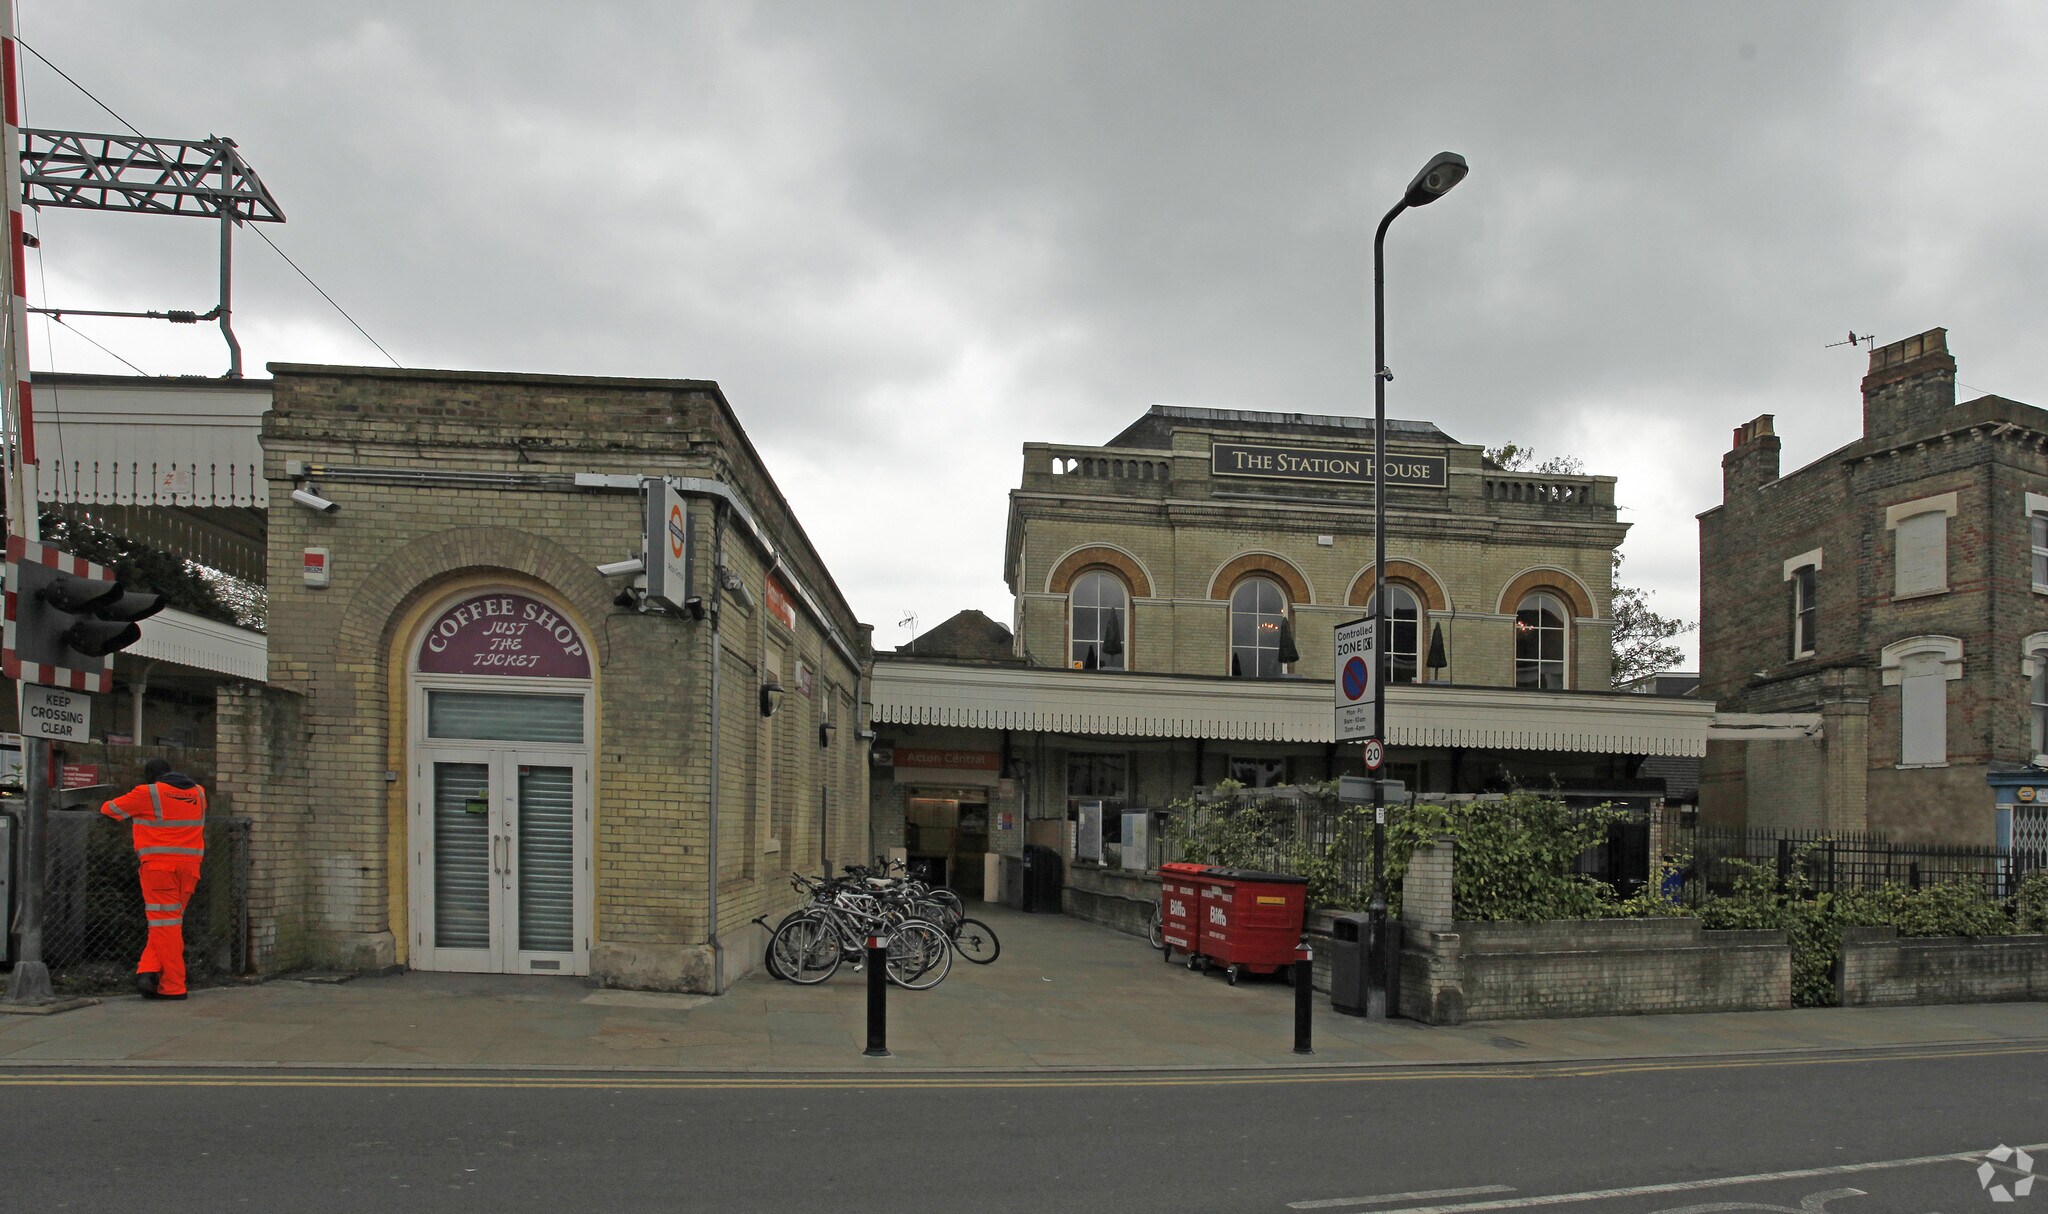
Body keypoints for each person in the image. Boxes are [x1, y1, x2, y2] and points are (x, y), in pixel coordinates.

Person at [99, 758, 207, 1000]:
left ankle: (174, 986)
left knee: (165, 925)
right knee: (167, 924)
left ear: (151, 776)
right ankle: (147, 971)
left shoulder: (148, 793)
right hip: (190, 869)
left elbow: (110, 810)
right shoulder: (199, 793)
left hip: (159, 869)